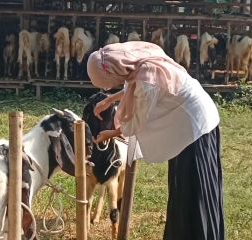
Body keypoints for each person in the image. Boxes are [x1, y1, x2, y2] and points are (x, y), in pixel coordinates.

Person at [87, 41, 224, 240]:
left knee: (194, 192)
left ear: (112, 72)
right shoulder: (139, 62)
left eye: (109, 82)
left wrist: (110, 133)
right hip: (185, 128)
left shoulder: (146, 78)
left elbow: (136, 124)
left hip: (195, 130)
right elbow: (134, 86)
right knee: (183, 192)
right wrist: (110, 99)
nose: (114, 85)